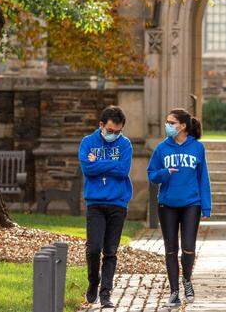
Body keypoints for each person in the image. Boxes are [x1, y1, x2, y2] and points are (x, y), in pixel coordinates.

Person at [147, 108, 212, 309]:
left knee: (189, 247)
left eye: (171, 123)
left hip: (191, 204)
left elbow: (203, 178)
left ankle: (187, 280)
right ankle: (174, 291)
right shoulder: (161, 148)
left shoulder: (197, 148)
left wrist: (206, 206)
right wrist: (164, 173)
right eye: (167, 122)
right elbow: (152, 174)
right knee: (170, 249)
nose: (168, 126)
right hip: (167, 205)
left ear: (183, 126)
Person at [79, 106, 134, 308]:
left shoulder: (125, 144)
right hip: (95, 203)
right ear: (101, 125)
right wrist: (110, 163)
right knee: (94, 249)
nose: (114, 135)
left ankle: (106, 293)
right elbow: (88, 169)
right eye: (110, 131)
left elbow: (123, 170)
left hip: (117, 203)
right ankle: (94, 281)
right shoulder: (87, 142)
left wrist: (99, 162)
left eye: (118, 131)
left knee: (110, 251)